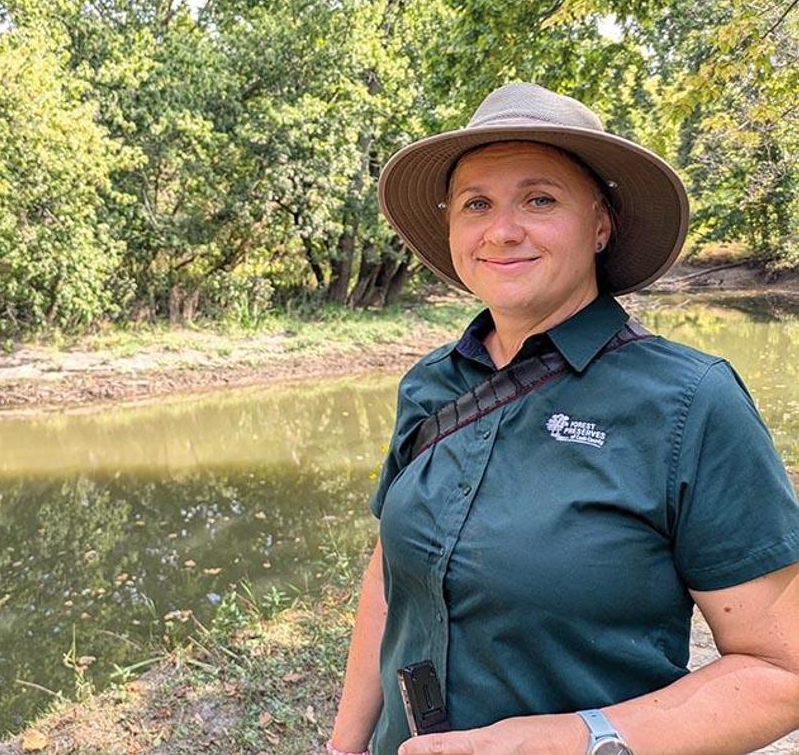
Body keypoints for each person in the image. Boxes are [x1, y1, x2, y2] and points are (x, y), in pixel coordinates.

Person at [326, 83, 799, 755]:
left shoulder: (691, 402)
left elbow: (781, 673)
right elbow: (388, 577)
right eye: (476, 204)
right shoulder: (431, 384)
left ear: (600, 225)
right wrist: (344, 746)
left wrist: (580, 738)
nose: (502, 229)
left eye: (539, 199)